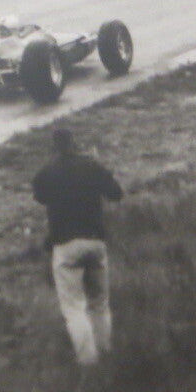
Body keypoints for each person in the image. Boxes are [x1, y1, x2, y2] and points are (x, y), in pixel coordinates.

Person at [32, 128, 123, 367]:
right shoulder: (90, 165)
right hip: (94, 240)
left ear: (53, 147)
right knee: (99, 303)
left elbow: (40, 196)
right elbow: (116, 193)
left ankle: (89, 363)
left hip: (65, 244)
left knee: (73, 309)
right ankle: (106, 353)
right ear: (75, 142)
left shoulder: (45, 173)